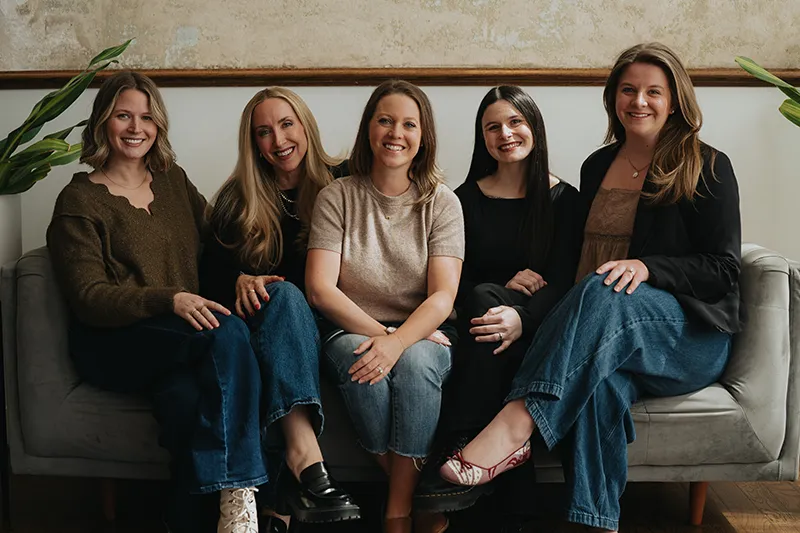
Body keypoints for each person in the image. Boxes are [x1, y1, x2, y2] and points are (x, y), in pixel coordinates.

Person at [437, 42, 741, 533]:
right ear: (613, 98)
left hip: (688, 337)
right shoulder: (597, 166)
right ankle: (594, 522)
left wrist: (648, 268)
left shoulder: (707, 164)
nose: (638, 101)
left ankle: (516, 422)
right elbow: (573, 261)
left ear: (675, 100)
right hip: (610, 334)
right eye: (628, 90)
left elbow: (724, 268)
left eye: (653, 91)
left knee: (607, 284)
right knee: (600, 387)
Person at [305, 79, 464, 533]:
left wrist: (400, 342)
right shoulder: (337, 196)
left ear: (423, 136)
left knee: (415, 364)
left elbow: (443, 295)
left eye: (409, 124)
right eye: (386, 121)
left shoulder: (443, 202)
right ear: (369, 129)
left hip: (425, 329)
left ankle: (395, 512)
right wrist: (386, 339)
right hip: (349, 326)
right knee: (364, 364)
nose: (396, 133)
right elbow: (320, 289)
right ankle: (414, 498)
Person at [414, 86, 582, 514]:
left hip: (544, 333)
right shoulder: (462, 200)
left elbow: (568, 281)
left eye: (515, 122)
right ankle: (505, 482)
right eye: (493, 127)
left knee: (487, 297)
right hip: (481, 330)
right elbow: (450, 278)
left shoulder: (566, 200)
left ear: (534, 127)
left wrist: (523, 318)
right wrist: (502, 288)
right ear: (482, 137)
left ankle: (462, 438)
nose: (505, 134)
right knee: (484, 293)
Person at [200, 88, 359, 532]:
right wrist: (237, 279)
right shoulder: (237, 199)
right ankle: (305, 461)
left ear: (305, 125)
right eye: (264, 132)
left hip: (339, 324)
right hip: (270, 331)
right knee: (285, 296)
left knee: (291, 297)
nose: (278, 140)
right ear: (253, 143)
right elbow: (206, 279)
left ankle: (280, 505)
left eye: (287, 124)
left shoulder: (346, 180)